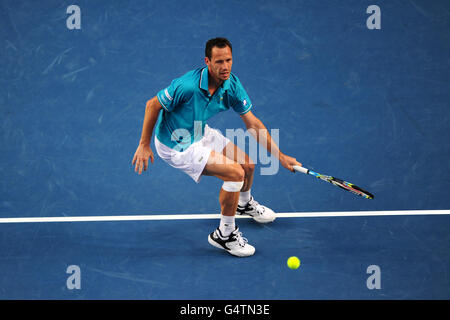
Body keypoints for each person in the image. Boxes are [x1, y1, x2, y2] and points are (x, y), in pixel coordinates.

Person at [132, 37, 302, 257]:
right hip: (176, 145)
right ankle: (225, 234)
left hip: (198, 131)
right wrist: (144, 144)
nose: (225, 67)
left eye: (229, 60)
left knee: (248, 165)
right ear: (207, 61)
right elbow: (152, 105)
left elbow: (253, 123)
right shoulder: (187, 86)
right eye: (219, 62)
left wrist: (280, 156)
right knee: (235, 174)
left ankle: (243, 204)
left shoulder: (231, 84)